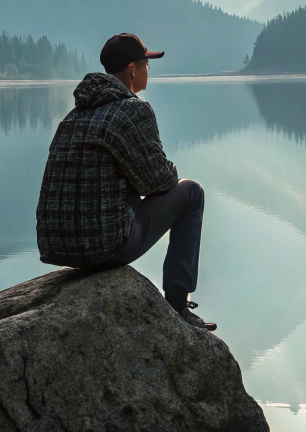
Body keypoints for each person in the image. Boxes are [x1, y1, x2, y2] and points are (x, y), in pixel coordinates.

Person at [36, 32, 213, 329]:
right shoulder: (132, 109)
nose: (149, 69)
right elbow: (159, 181)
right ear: (132, 69)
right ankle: (178, 306)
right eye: (146, 63)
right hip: (105, 246)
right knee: (191, 192)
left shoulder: (73, 116)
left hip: (58, 246)